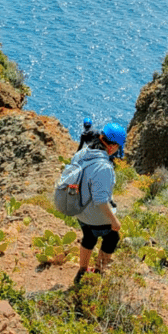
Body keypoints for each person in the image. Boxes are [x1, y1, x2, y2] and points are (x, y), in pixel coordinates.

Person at [72, 122, 127, 285]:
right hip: (94, 214)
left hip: (80, 210)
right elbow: (101, 200)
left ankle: (81, 272)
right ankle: (98, 273)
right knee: (112, 238)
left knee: (89, 237)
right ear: (113, 146)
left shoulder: (83, 152)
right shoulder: (104, 167)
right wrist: (114, 220)